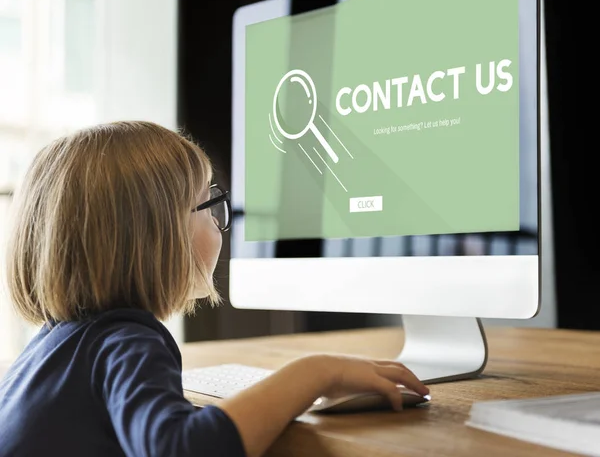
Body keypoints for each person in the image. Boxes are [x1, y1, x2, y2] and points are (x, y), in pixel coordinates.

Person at [0, 121, 429, 457]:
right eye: (208, 204)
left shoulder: (51, 348)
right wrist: (315, 372)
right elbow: (186, 449)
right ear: (157, 235)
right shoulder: (127, 342)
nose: (220, 222)